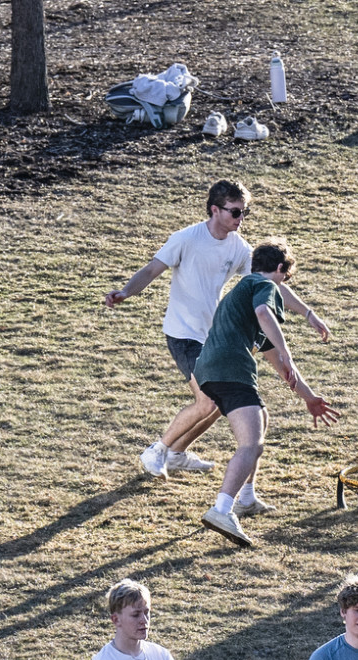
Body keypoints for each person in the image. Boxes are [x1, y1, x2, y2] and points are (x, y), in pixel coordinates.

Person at [103, 179, 331, 486]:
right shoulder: (187, 239)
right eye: (235, 212)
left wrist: (308, 313)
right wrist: (125, 292)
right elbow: (151, 270)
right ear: (215, 210)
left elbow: (270, 282)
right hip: (183, 333)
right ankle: (156, 451)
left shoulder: (238, 247)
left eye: (244, 212)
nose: (241, 219)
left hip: (211, 336)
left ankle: (177, 453)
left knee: (218, 404)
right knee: (207, 402)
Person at [190, 239, 341, 548]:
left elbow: (283, 370)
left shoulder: (244, 297)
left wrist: (310, 398)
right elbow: (264, 310)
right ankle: (222, 509)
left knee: (261, 417)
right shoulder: (262, 285)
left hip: (210, 371)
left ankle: (246, 498)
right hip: (231, 370)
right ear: (279, 270)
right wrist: (287, 350)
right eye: (284, 279)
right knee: (250, 444)